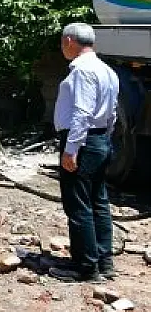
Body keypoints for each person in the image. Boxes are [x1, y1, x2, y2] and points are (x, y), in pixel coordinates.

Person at [49, 22, 119, 283]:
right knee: (99, 201)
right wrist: (105, 140)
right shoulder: (108, 71)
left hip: (84, 141)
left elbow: (81, 112)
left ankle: (85, 267)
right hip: (100, 139)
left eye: (62, 43)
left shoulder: (81, 70)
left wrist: (71, 149)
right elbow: (112, 113)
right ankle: (104, 261)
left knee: (78, 204)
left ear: (69, 41)